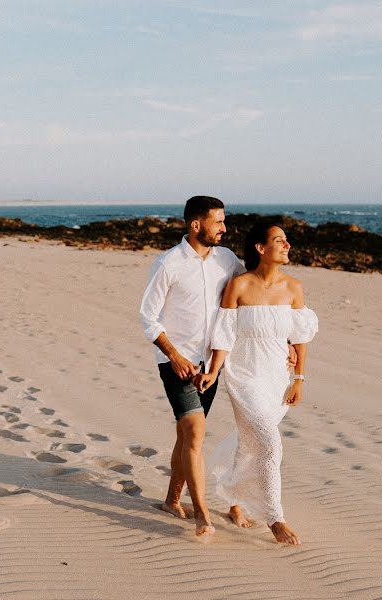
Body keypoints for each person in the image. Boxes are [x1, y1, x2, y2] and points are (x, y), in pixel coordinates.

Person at [196, 220, 318, 545]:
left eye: (287, 239)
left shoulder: (293, 288)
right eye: (279, 240)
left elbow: (300, 336)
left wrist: (299, 378)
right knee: (270, 443)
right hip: (243, 376)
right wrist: (213, 371)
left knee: (250, 440)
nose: (287, 244)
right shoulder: (238, 286)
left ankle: (234, 500)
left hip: (277, 378)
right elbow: (224, 335)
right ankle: (275, 518)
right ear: (261, 248)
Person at [139, 196, 245, 539]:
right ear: (196, 225)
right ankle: (201, 513)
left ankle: (172, 499)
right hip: (177, 362)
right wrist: (174, 356)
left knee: (186, 435)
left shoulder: (227, 260)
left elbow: (249, 293)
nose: (224, 228)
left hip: (211, 363)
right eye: (219, 222)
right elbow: (148, 318)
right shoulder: (168, 263)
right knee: (196, 432)